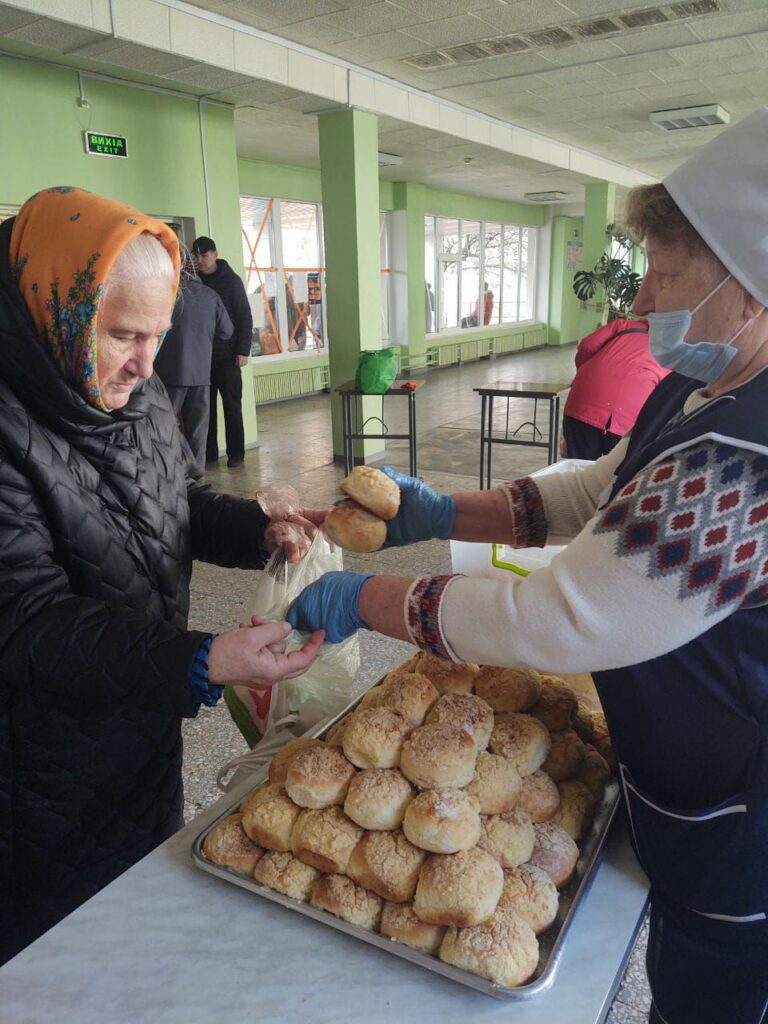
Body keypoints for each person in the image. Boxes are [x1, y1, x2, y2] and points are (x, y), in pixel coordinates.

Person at [288, 108, 768, 1024]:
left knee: (711, 990)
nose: (640, 305)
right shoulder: (703, 385)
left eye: (668, 278)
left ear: (751, 288)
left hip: (742, 806)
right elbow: (595, 493)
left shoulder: (750, 455)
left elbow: (561, 618)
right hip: (677, 764)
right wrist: (432, 511)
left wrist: (369, 599)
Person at [0, 187, 324, 965]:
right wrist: (201, 658)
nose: (148, 365)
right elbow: (33, 623)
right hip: (38, 769)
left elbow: (179, 500)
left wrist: (260, 529)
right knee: (61, 958)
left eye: (158, 334)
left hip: (138, 725)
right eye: (122, 336)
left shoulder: (136, 396)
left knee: (138, 924)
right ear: (58, 309)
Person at [153, 269, 234, 476]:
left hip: (168, 374)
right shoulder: (211, 296)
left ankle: (169, 471)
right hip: (201, 373)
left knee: (165, 426)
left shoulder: (167, 295)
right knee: (198, 429)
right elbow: (227, 331)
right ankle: (197, 473)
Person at [562, 317, 668, 460]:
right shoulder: (671, 349)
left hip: (584, 402)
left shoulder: (623, 325)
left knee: (577, 468)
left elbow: (587, 346)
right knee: (614, 476)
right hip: (627, 417)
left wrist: (584, 372)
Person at [192, 236, 253, 468]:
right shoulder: (194, 282)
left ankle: (236, 455)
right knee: (205, 410)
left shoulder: (232, 281)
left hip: (228, 357)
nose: (200, 260)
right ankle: (209, 455)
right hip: (202, 359)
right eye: (196, 256)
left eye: (204, 255)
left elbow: (245, 316)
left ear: (215, 254)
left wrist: (242, 350)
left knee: (232, 407)